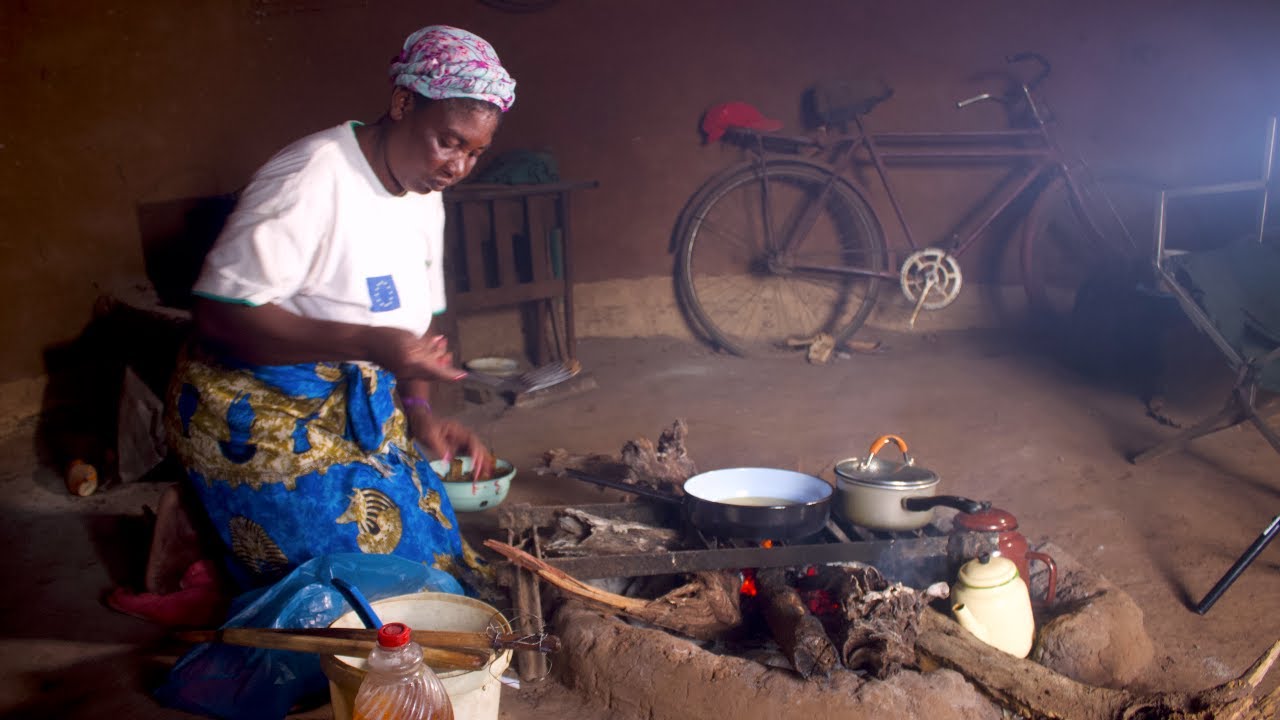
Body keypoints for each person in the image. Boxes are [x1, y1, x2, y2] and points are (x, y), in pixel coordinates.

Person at [124, 25, 517, 607]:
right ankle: (211, 530)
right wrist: (369, 342)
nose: (458, 167)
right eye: (448, 142)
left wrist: (417, 410)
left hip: (352, 400)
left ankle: (209, 533)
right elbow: (217, 318)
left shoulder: (424, 193)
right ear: (403, 103)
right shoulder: (312, 176)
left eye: (474, 153)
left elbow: (413, 331)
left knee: (444, 563)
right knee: (361, 598)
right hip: (251, 409)